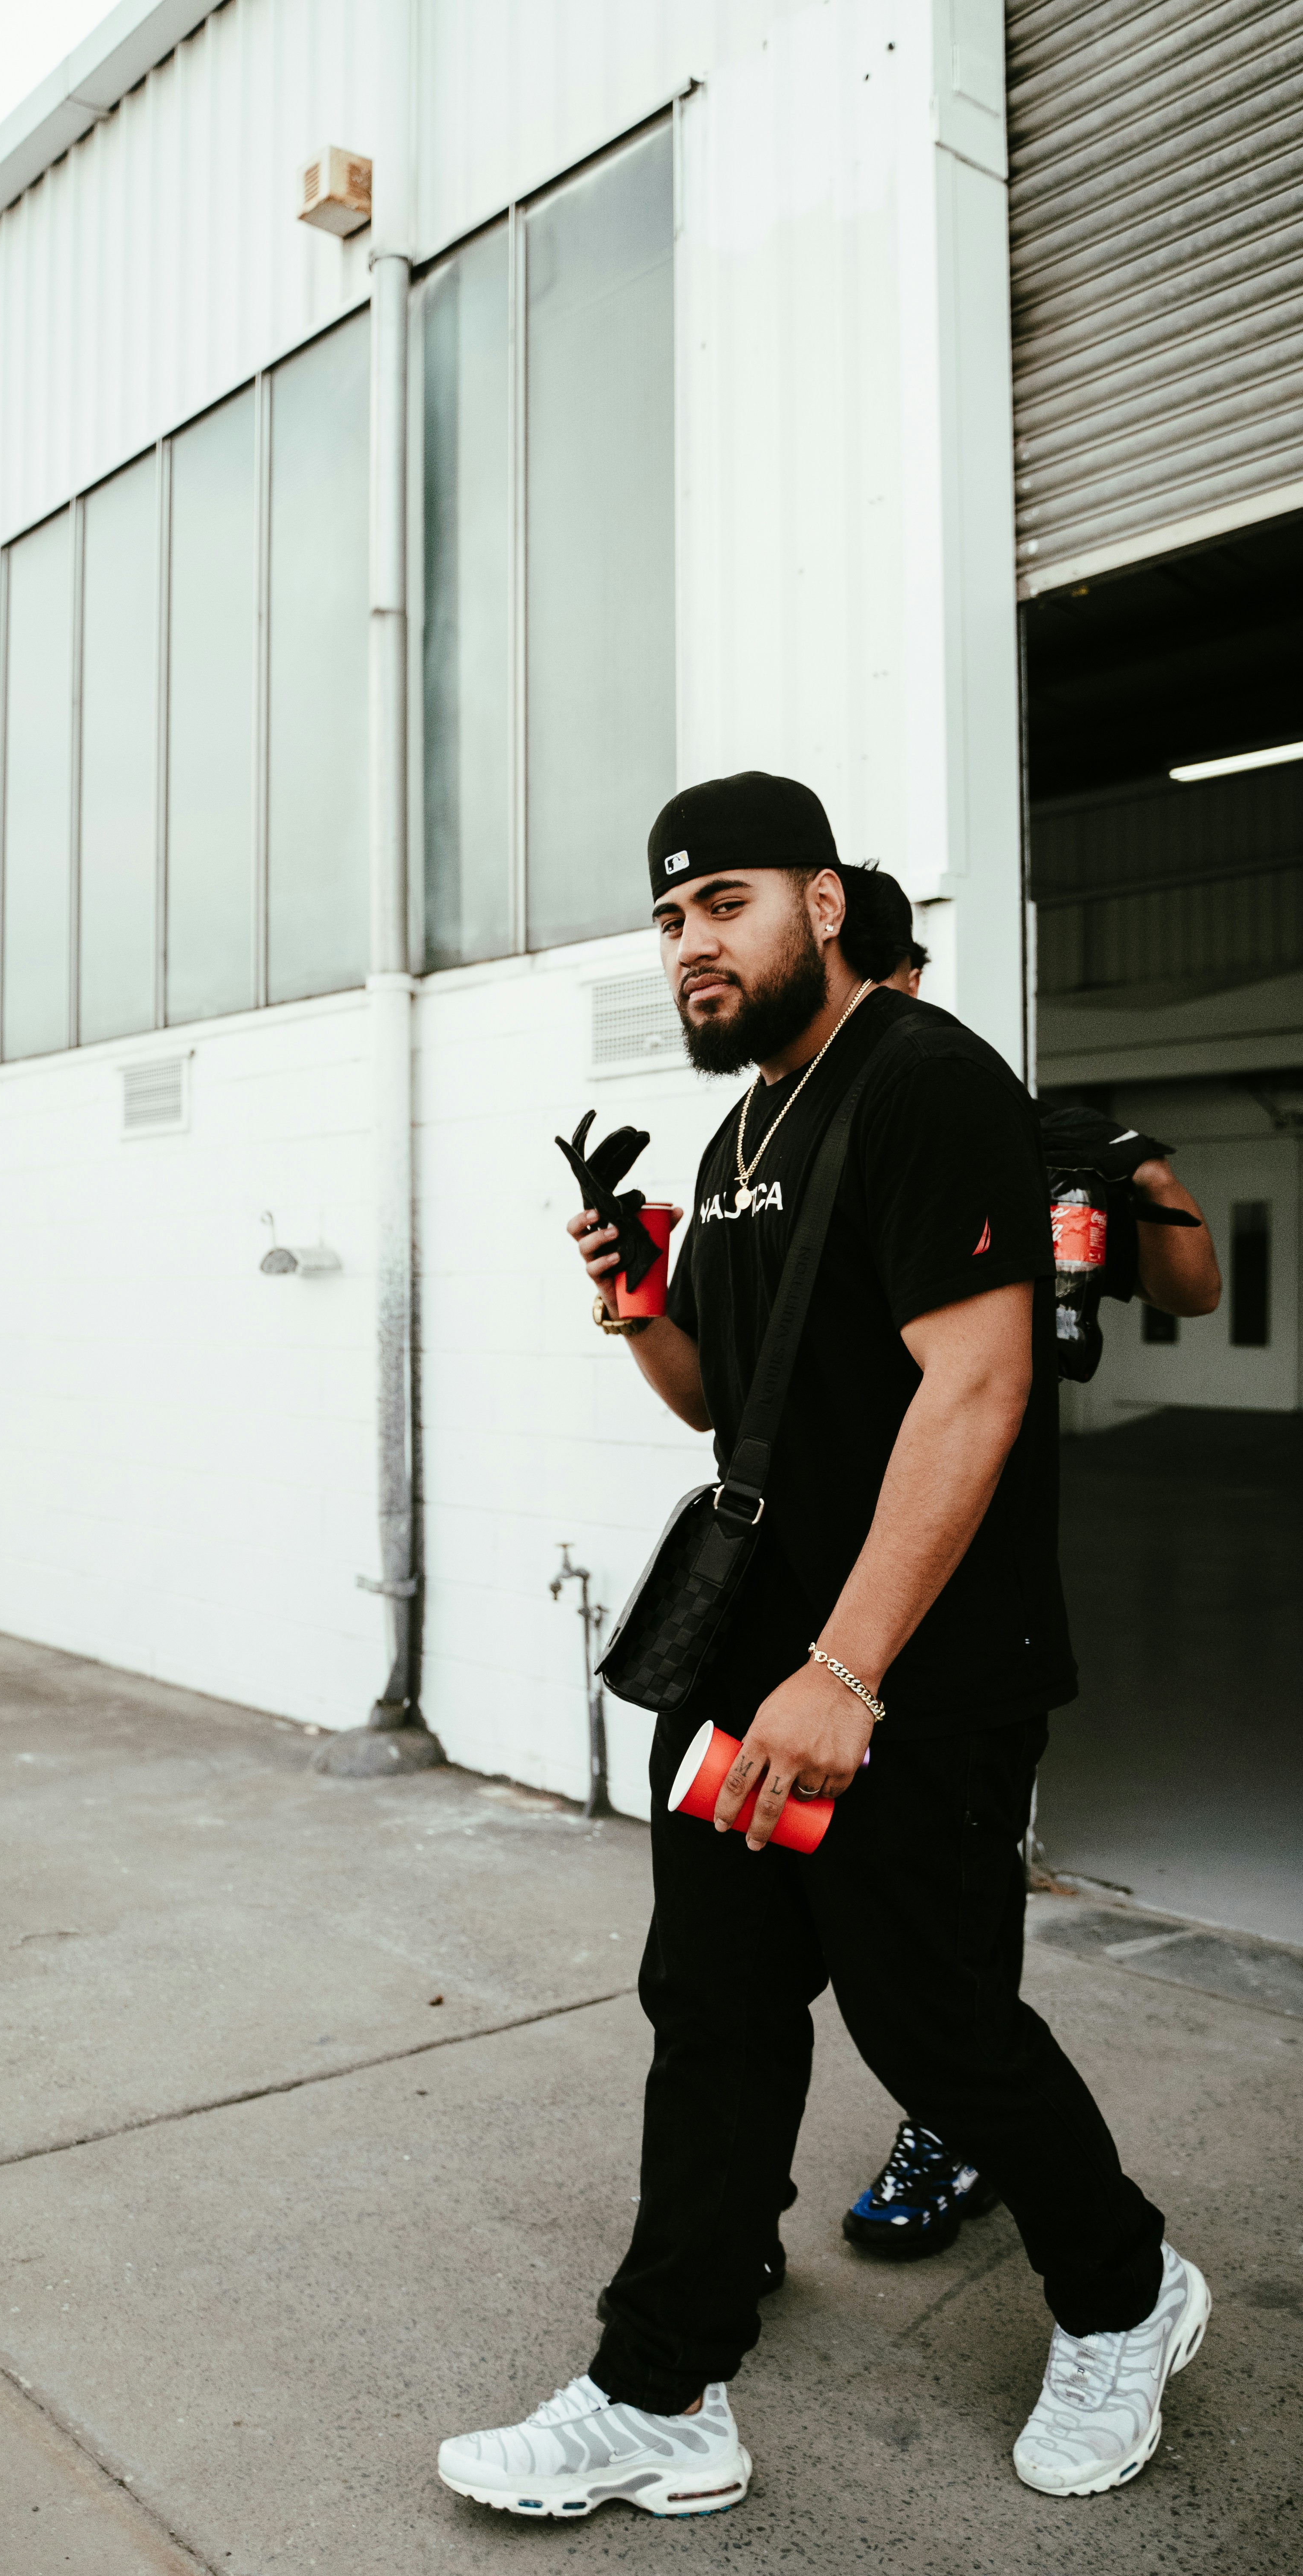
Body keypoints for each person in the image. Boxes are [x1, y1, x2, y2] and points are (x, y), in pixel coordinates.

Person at [436, 772, 1210, 2524]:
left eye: (724, 906)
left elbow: (981, 1385)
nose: (689, 947)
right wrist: (637, 1291)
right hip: (759, 1647)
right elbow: (723, 1400)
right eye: (667, 918)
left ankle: (1122, 2293)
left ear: (825, 906)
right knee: (712, 2002)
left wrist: (849, 1671)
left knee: (930, 2025)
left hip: (914, 1655)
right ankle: (661, 2389)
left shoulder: (930, 1089)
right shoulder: (741, 1136)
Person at [823, 871, 1221, 2266]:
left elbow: (1192, 1296)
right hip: (844, 1586)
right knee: (865, 1929)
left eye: (897, 973)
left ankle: (965, 2134)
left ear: (910, 975)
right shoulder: (800, 1136)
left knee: (954, 1905)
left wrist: (1150, 1179)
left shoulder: (1011, 1122)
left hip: (978, 1581)